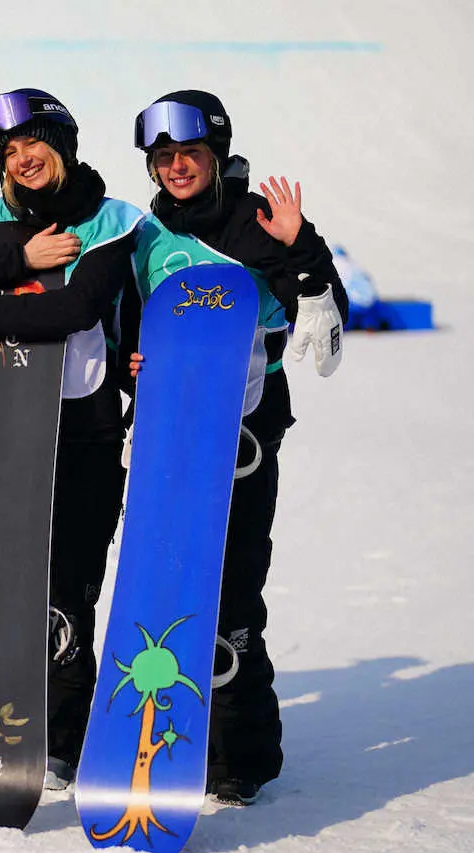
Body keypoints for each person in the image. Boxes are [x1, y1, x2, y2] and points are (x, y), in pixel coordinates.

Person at [0, 89, 143, 791]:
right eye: (8, 152)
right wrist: (20, 255)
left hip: (84, 427)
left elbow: (76, 309)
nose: (22, 158)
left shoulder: (113, 221)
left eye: (33, 144)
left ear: (64, 145)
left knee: (68, 588)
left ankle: (63, 737)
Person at [127, 89, 347, 805]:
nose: (177, 168)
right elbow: (132, 324)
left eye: (189, 154)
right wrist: (132, 364)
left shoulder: (256, 222)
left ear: (216, 156)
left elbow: (322, 309)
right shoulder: (148, 236)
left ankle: (239, 756)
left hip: (247, 426)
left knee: (231, 589)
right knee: (166, 585)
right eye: (164, 158)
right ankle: (160, 737)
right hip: (167, 430)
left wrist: (304, 253)